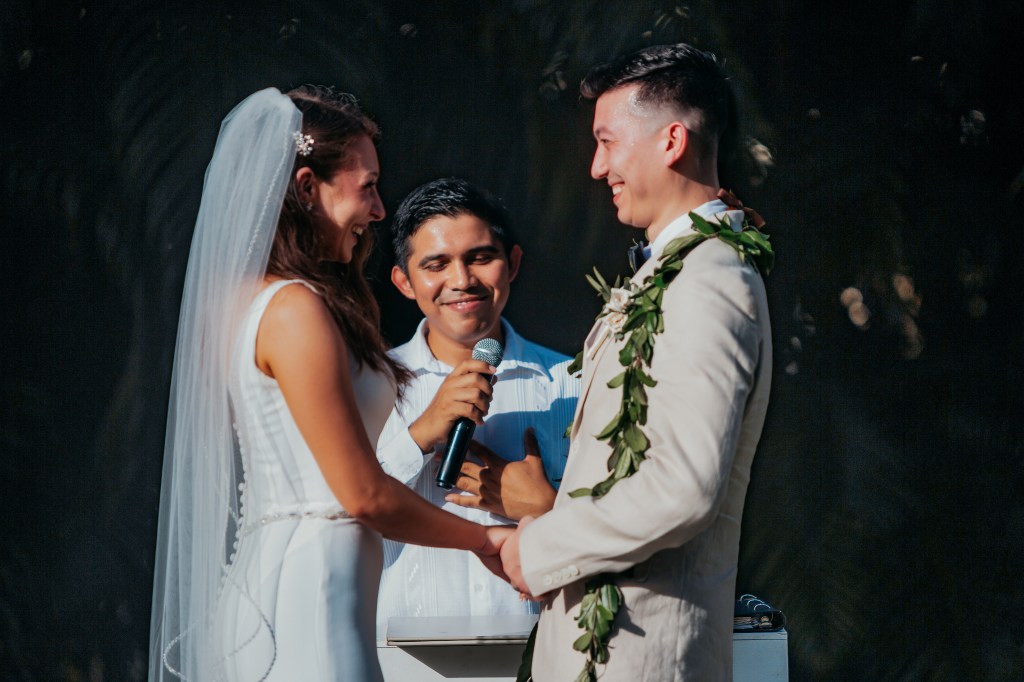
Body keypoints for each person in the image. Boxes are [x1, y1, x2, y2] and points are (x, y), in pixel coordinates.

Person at [148, 87, 511, 682]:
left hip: (314, 584)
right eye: (366, 186)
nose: (377, 210)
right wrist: (487, 542)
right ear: (306, 187)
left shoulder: (267, 303)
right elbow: (363, 495)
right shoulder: (293, 311)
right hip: (310, 590)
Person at [498, 44, 774, 681]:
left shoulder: (710, 278)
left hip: (640, 656)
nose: (597, 167)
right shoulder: (675, 271)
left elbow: (683, 487)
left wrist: (537, 547)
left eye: (607, 141)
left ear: (672, 140)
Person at [374, 177, 579, 639]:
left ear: (513, 263)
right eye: (436, 264)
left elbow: (631, 525)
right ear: (404, 282)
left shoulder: (577, 383)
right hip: (403, 661)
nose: (462, 280)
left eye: (480, 257)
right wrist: (419, 435)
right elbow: (338, 516)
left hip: (542, 655)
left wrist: (549, 508)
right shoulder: (369, 385)